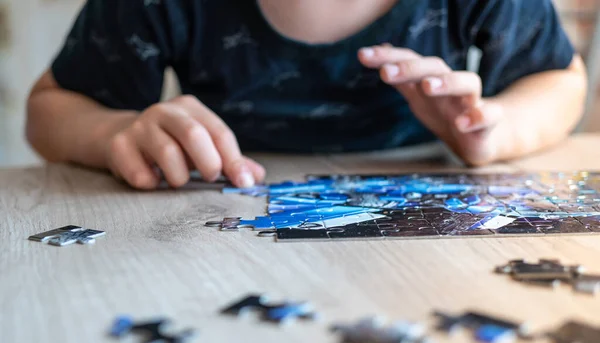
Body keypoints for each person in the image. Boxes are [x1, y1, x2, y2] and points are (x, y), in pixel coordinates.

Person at [25, 0, 587, 189]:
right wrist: (112, 133)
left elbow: (560, 79)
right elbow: (50, 108)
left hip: (430, 202)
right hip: (218, 208)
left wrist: (496, 128)